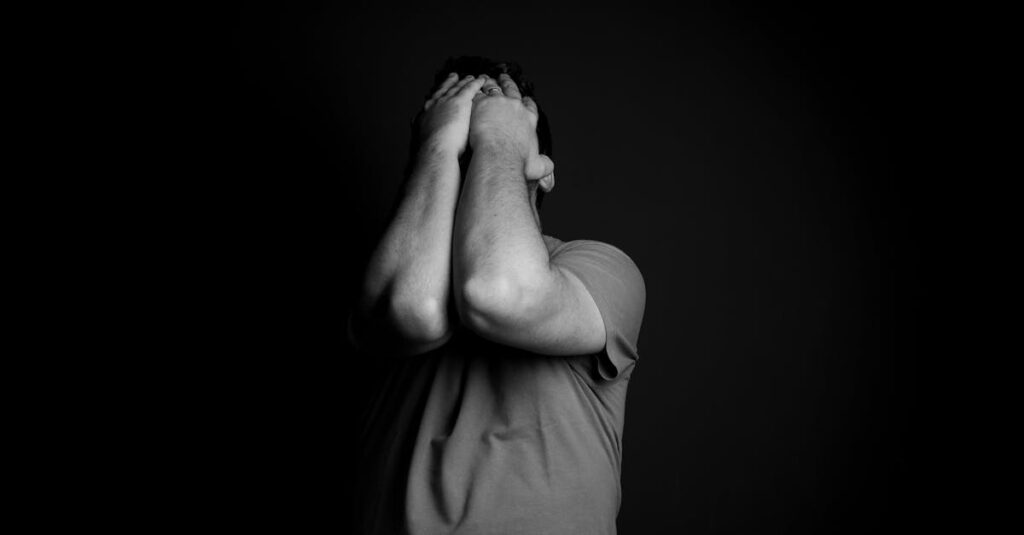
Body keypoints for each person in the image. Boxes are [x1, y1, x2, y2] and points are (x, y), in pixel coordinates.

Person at [347, 56, 647, 535]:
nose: (473, 141)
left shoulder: (598, 268)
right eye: (457, 133)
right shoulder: (380, 279)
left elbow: (497, 292)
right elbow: (415, 310)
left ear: (544, 171)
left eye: (489, 131)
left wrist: (499, 140)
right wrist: (439, 148)